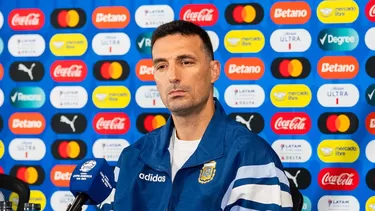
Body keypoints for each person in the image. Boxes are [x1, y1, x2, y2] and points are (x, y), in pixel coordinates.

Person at [98, 20, 294, 211]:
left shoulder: (251, 156)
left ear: (213, 71)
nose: (173, 76)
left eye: (186, 62)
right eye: (161, 66)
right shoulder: (133, 157)